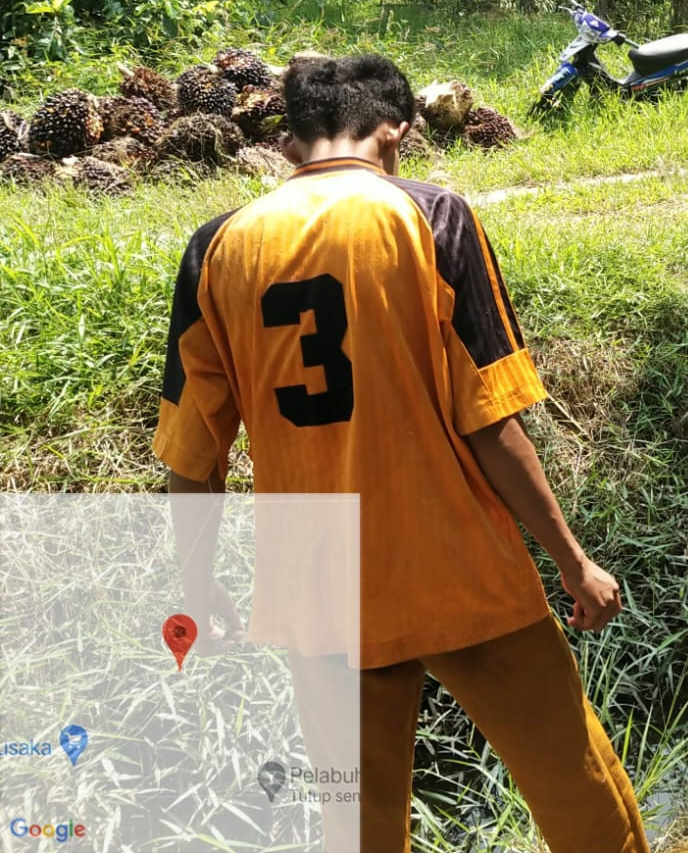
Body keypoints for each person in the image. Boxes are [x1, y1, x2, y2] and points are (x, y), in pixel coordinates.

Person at [155, 54, 649, 852]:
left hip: (319, 594)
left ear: (288, 146)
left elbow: (192, 455)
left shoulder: (215, 248)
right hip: (459, 574)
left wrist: (195, 583)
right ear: (400, 132)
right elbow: (490, 422)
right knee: (575, 785)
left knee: (357, 820)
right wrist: (572, 559)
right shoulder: (432, 218)